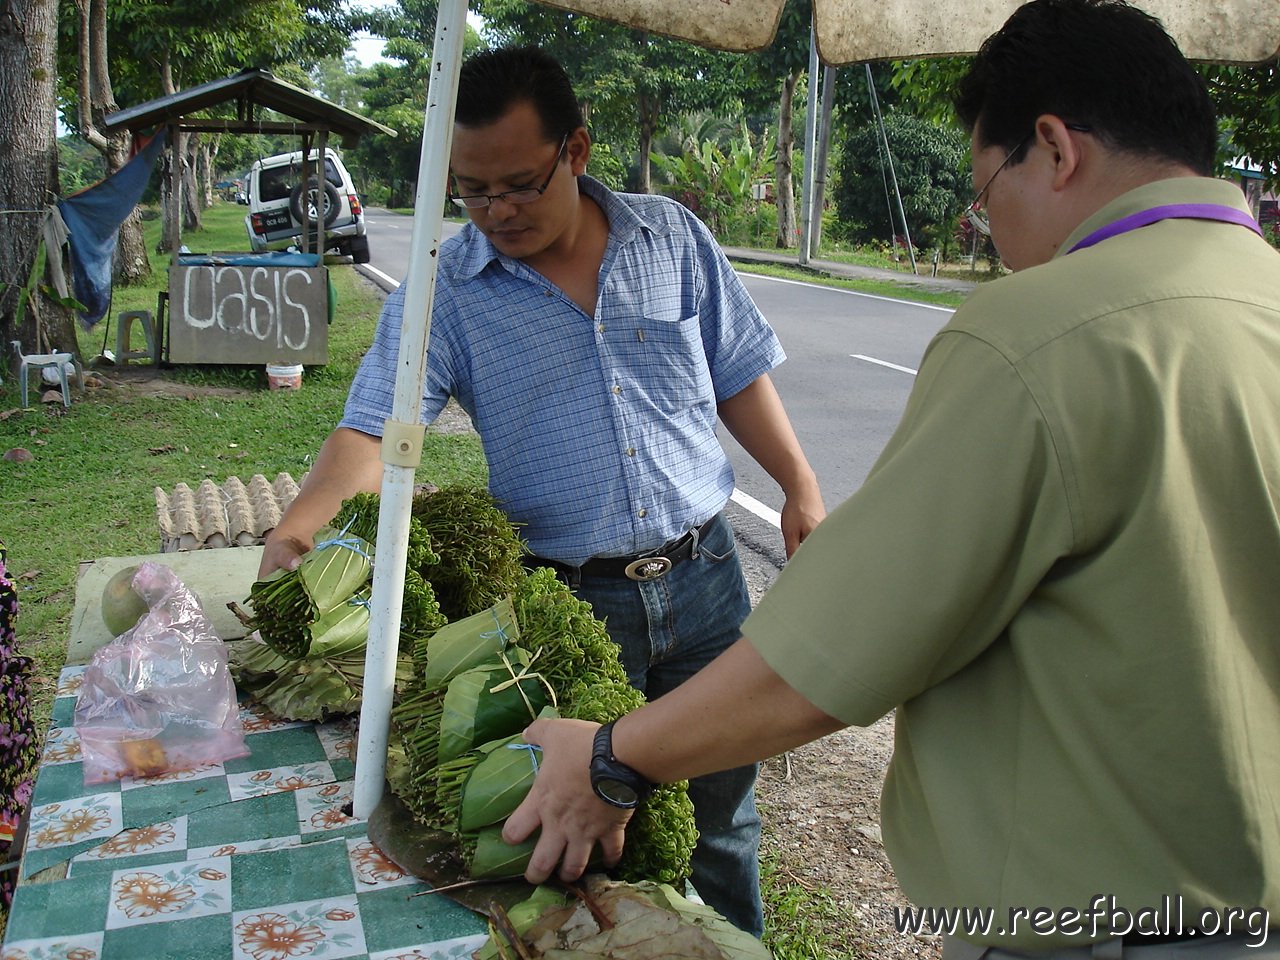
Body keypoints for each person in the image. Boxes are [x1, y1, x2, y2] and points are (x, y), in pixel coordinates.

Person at [503, 1, 1280, 956]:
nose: (989, 231)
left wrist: (615, 757)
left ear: (1053, 148)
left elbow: (831, 656)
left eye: (985, 193)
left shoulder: (1040, 331)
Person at [259, 46, 826, 935]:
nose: (498, 212)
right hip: (573, 600)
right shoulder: (447, 289)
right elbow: (376, 427)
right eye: (473, 192)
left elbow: (737, 374)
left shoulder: (671, 237)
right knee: (586, 835)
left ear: (578, 151)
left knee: (723, 820)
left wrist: (798, 488)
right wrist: (300, 529)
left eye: (520, 184)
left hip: (707, 574)